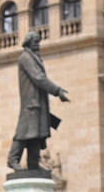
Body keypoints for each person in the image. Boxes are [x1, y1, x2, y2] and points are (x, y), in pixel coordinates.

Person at [7, 30, 69, 173]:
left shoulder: (34, 57)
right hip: (31, 103)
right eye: (35, 42)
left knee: (36, 133)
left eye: (38, 42)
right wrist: (57, 91)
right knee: (24, 132)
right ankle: (12, 159)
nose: (38, 45)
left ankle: (33, 163)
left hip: (38, 103)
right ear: (28, 43)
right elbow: (38, 77)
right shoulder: (25, 57)